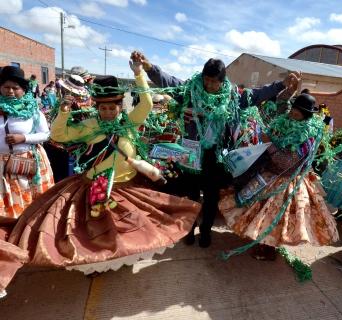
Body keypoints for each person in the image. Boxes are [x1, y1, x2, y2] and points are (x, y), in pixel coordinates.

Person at [5, 59, 201, 281]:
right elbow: (59, 135)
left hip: (128, 186)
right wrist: (64, 112)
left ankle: (123, 256)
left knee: (130, 229)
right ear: (97, 107)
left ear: (120, 106)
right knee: (96, 233)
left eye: (112, 107)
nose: (108, 112)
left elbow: (146, 103)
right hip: (95, 186)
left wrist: (138, 73)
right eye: (103, 108)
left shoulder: (130, 122)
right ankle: (99, 261)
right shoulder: (90, 125)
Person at [131, 50, 299, 248]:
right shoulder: (192, 91)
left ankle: (205, 231)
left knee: (211, 197)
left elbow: (257, 95)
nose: (209, 85)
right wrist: (149, 67)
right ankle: (190, 229)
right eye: (206, 80)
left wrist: (281, 85)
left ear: (222, 80)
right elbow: (169, 82)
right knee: (192, 195)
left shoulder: (233, 97)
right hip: (192, 153)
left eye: (214, 81)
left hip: (216, 157)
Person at [219, 93, 338, 260]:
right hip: (268, 174)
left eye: (298, 113)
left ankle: (268, 248)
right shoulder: (282, 123)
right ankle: (261, 241)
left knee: (275, 217)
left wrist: (270, 144)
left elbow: (288, 162)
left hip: (286, 181)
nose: (293, 114)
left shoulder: (308, 136)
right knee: (257, 211)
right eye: (293, 110)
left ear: (306, 115)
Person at [0, 66, 54, 222]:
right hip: (1, 165)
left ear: (23, 90)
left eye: (15, 88)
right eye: (6, 87)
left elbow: (46, 134)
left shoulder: (33, 111)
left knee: (28, 198)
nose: (10, 91)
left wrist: (23, 138)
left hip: (25, 161)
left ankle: (26, 224)